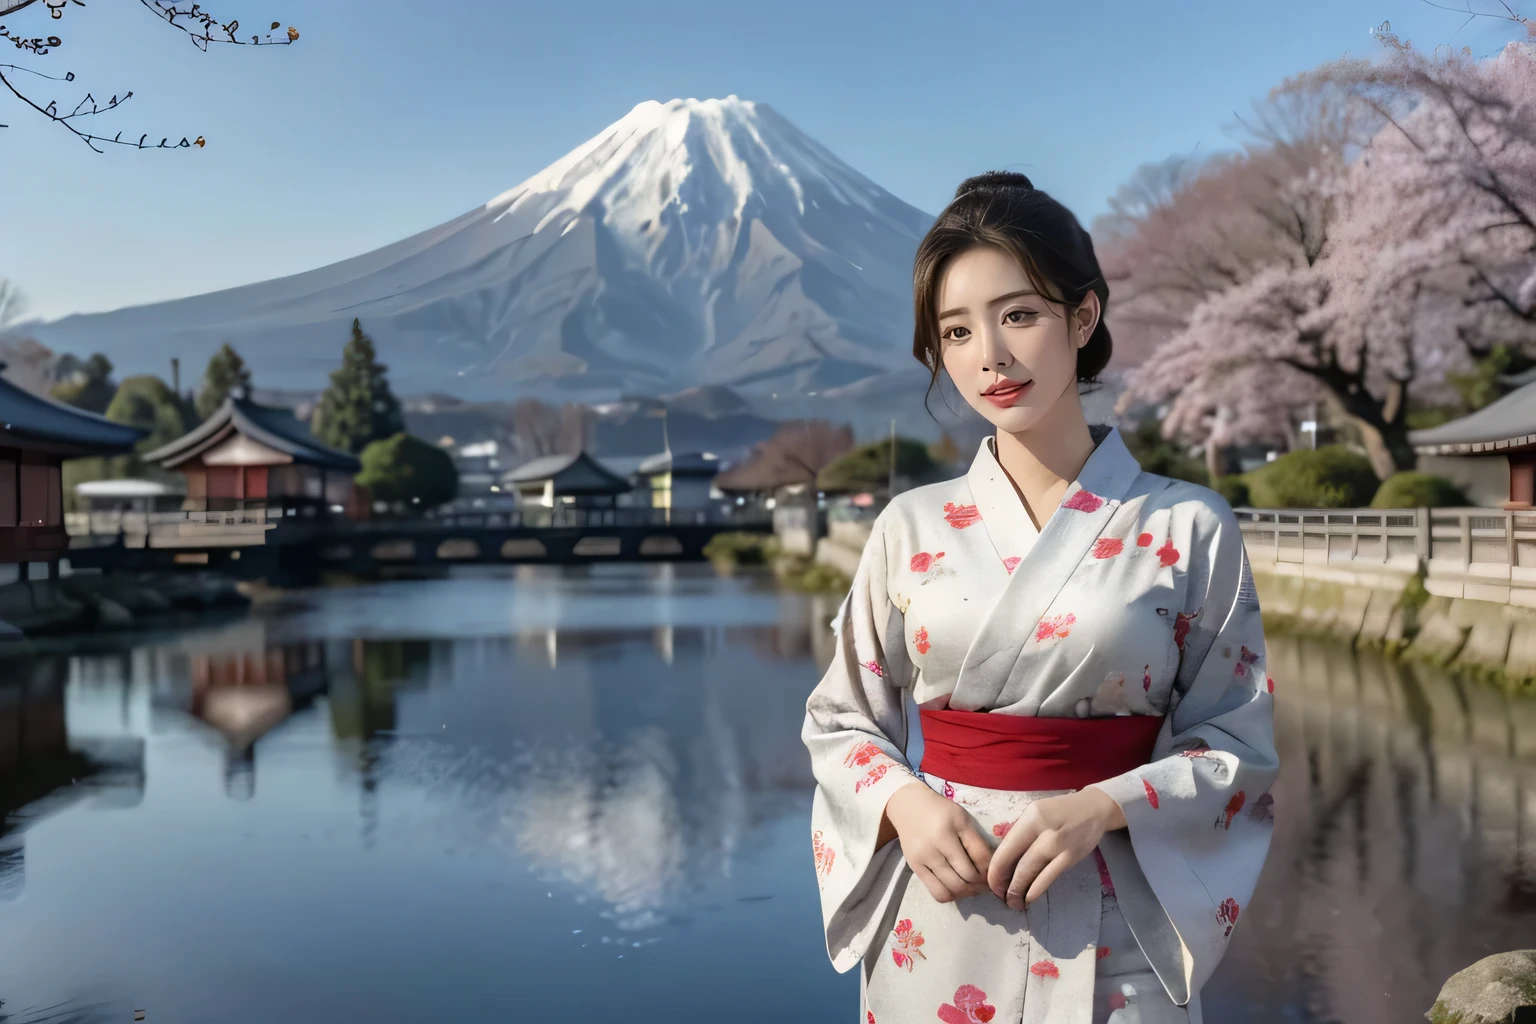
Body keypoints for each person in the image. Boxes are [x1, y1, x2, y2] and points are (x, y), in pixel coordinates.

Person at [802, 171, 1277, 1024]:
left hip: (1118, 910)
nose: (989, 354)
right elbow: (841, 723)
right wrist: (907, 805)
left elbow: (1236, 740)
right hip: (942, 910)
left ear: (1082, 316)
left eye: (1018, 314)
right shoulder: (907, 528)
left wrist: (1106, 805)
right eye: (956, 330)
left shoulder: (1188, 526)